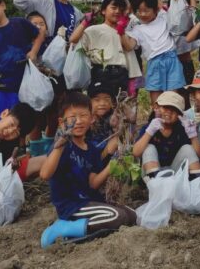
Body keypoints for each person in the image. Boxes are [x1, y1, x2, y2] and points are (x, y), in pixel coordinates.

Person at [39, 91, 136, 246]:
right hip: (71, 206)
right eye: (72, 117)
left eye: (83, 116)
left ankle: (78, 233)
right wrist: (60, 144)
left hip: (89, 201)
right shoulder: (62, 146)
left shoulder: (91, 149)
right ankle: (63, 228)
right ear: (61, 122)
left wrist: (112, 165)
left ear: (91, 119)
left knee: (131, 216)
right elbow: (45, 174)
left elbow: (93, 183)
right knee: (117, 217)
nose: (78, 121)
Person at [14, 0, 84, 140]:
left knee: (56, 109)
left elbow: (74, 41)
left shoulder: (76, 13)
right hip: (40, 63)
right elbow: (19, 1)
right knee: (37, 108)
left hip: (61, 68)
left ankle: (48, 145)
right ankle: (35, 148)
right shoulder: (43, 1)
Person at [123, 0, 185, 104]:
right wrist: (120, 31)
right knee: (156, 102)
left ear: (155, 10)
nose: (142, 14)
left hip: (172, 60)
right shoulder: (137, 29)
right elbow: (129, 46)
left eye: (146, 11)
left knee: (172, 99)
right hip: (154, 63)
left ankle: (172, 123)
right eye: (139, 11)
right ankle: (157, 121)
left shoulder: (162, 17)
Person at [70, 0, 142, 97]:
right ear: (103, 10)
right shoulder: (93, 30)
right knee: (100, 108)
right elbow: (73, 40)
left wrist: (121, 30)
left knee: (120, 109)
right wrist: (85, 22)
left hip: (122, 75)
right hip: (100, 74)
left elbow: (129, 50)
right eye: (113, 8)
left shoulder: (127, 33)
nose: (117, 11)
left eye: (121, 9)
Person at [132, 91, 200, 177]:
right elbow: (136, 152)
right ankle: (157, 187)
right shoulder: (150, 127)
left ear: (179, 114)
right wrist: (149, 132)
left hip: (174, 171)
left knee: (188, 148)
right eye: (165, 107)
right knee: (149, 148)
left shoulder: (182, 129)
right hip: (152, 173)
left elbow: (199, 154)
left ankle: (197, 185)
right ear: (156, 108)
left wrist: (193, 135)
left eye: (174, 110)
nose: (169, 112)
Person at [86, 80, 119, 162]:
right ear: (89, 101)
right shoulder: (85, 122)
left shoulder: (113, 118)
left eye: (107, 99)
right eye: (97, 100)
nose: (102, 103)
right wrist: (107, 150)